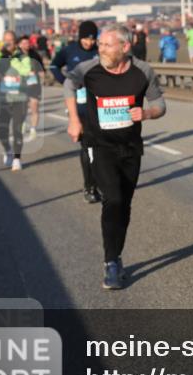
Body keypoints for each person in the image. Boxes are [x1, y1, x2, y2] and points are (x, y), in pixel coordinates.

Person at [63, 25, 167, 290]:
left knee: (124, 204)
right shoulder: (89, 69)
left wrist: (147, 114)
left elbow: (159, 104)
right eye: (100, 45)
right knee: (113, 200)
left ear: (125, 47)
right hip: (100, 146)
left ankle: (116, 255)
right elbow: (68, 84)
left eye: (107, 45)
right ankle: (110, 262)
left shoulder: (143, 71)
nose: (101, 50)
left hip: (131, 147)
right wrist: (74, 119)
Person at [51, 21, 101, 203]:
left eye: (92, 39)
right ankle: (89, 186)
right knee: (87, 146)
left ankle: (102, 182)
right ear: (80, 37)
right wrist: (66, 82)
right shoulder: (69, 50)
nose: (89, 43)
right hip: (79, 105)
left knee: (103, 147)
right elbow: (54, 66)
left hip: (100, 103)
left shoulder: (101, 50)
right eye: (86, 39)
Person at [0, 32, 38, 171]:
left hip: (19, 99)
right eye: (6, 40)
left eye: (11, 40)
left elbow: (25, 71)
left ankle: (17, 158)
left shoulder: (23, 57)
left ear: (16, 42)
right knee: (2, 132)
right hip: (3, 99)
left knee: (17, 130)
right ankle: (8, 150)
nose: (8, 43)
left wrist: (13, 59)